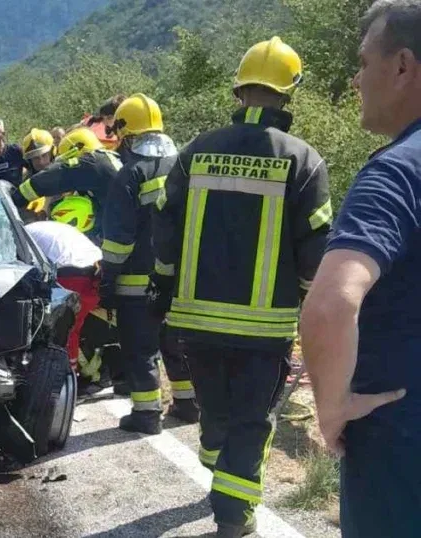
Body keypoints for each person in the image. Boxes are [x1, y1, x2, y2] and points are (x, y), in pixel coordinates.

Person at [153, 37, 333, 537]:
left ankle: (220, 468)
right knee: (252, 421)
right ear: (289, 92)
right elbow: (314, 248)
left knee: (216, 412)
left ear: (239, 90)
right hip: (264, 328)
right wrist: (304, 299)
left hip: (194, 321)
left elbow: (165, 229)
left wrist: (161, 287)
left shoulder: (195, 152)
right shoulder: (304, 160)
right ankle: (233, 515)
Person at [299, 3, 421, 536]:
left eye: (363, 61)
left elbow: (330, 305)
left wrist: (332, 408)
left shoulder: (396, 175)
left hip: (401, 450)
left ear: (402, 66)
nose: (354, 79)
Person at [99, 93, 197, 435]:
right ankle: (188, 404)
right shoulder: (185, 166)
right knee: (176, 343)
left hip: (137, 285)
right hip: (181, 281)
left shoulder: (130, 174)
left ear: (126, 134)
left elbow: (118, 240)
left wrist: (107, 278)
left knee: (140, 348)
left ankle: (146, 413)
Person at [12, 127, 121, 245]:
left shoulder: (90, 162)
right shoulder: (105, 159)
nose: (40, 161)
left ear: (76, 151)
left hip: (116, 231)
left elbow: (44, 181)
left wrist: (16, 198)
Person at [24, 217, 103, 375]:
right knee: (72, 329)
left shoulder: (22, 234)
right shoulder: (45, 228)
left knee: (61, 329)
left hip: (70, 277)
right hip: (95, 275)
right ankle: (70, 374)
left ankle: (64, 377)